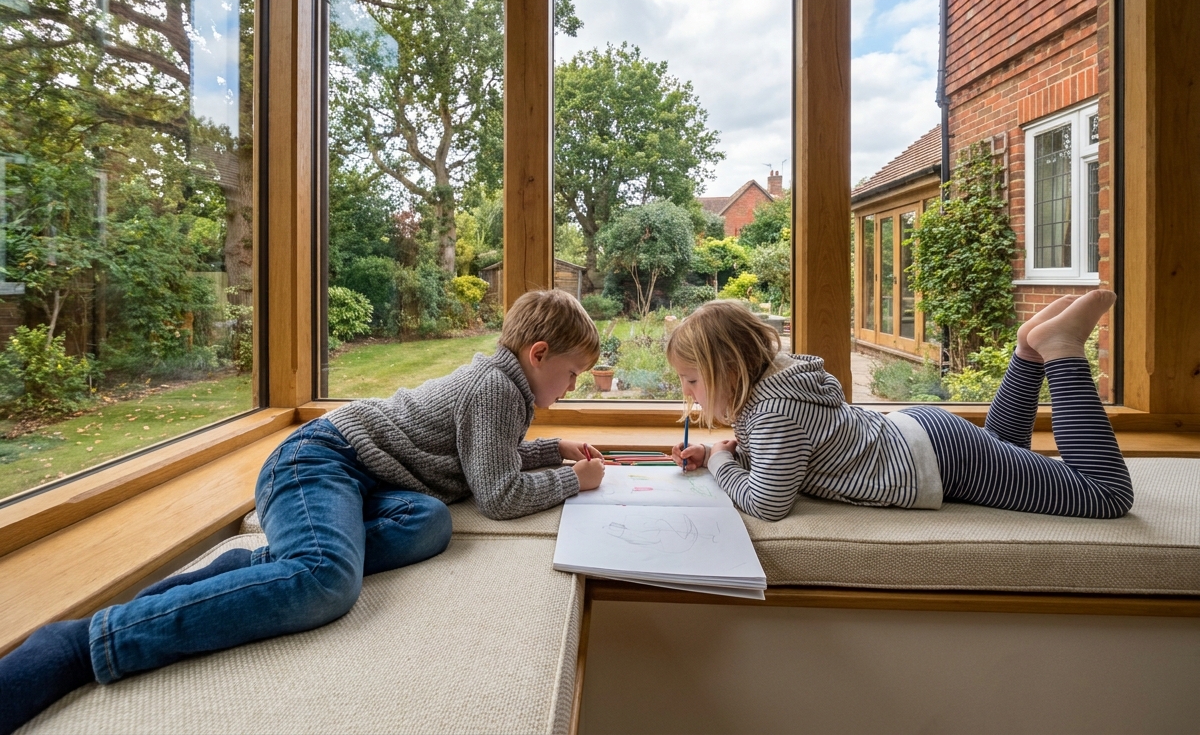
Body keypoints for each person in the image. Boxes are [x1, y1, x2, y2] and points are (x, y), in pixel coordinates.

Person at [0, 289, 606, 734]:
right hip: (320, 460)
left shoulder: (502, 383)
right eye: (572, 374)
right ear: (538, 352)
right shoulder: (501, 388)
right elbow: (498, 497)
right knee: (325, 583)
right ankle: (86, 643)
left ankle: (277, 559)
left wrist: (554, 451)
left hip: (370, 479)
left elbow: (483, 463)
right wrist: (571, 481)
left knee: (430, 522)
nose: (573, 387)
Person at [667, 292, 1133, 523]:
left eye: (692, 380)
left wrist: (723, 462)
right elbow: (787, 456)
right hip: (924, 436)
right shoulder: (781, 383)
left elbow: (768, 504)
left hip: (938, 462)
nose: (689, 393)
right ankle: (1029, 354)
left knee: (1106, 496)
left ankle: (1062, 351)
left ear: (731, 369)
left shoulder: (772, 413)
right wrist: (717, 454)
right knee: (1004, 447)